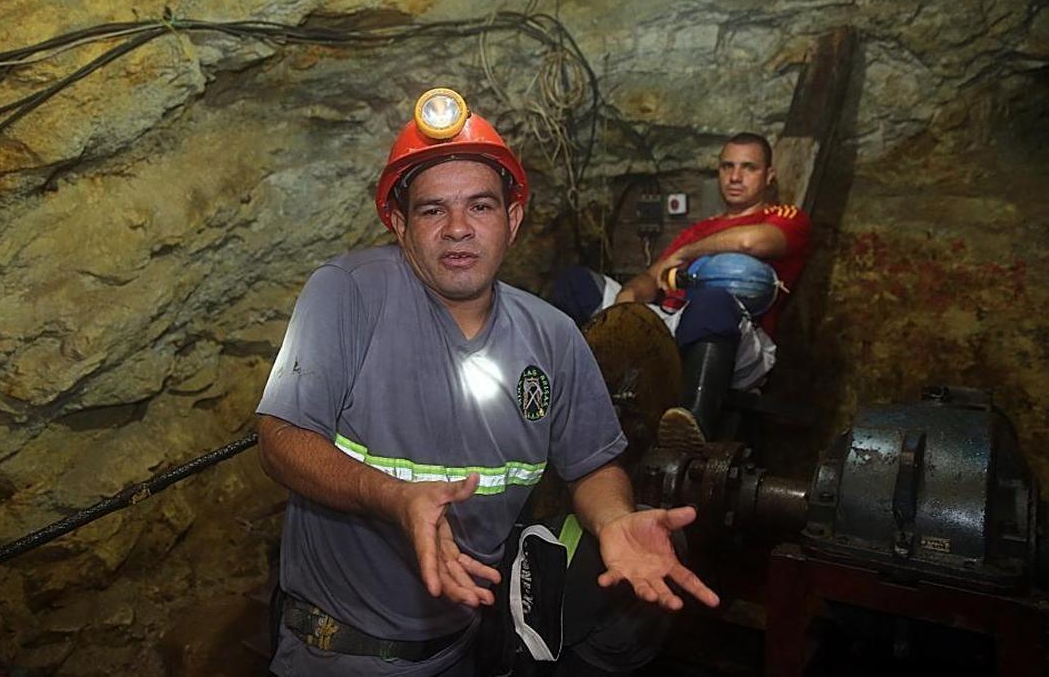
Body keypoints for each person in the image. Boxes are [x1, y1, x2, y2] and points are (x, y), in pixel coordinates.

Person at [255, 88, 719, 676]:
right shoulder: (348, 293)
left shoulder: (552, 336)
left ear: (512, 219)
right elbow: (280, 439)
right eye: (432, 210)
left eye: (480, 206)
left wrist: (613, 520)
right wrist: (393, 497)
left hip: (465, 650)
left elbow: (592, 465)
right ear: (399, 224)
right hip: (337, 655)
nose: (458, 229)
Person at [551, 133, 811, 449]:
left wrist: (688, 252)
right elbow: (651, 277)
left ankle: (689, 427)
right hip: (672, 323)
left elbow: (749, 243)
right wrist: (627, 302)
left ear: (769, 176)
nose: (735, 177)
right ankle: (553, 402)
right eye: (727, 166)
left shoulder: (786, 217)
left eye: (748, 167)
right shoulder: (699, 229)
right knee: (576, 284)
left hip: (734, 336)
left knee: (712, 300)